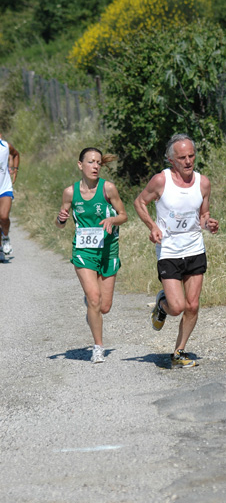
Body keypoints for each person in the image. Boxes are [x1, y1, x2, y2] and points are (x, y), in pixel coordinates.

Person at [134, 133, 219, 368]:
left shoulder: (203, 183)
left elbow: (202, 215)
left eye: (191, 155)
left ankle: (179, 352)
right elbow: (139, 202)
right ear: (172, 160)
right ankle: (162, 305)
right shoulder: (161, 181)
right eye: (182, 157)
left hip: (194, 248)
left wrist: (208, 224)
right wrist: (152, 226)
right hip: (169, 251)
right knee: (177, 307)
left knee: (192, 305)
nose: (188, 161)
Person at [56, 147, 128, 363]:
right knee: (95, 299)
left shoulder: (108, 189)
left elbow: (124, 215)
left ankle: (91, 305)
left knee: (104, 307)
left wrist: (111, 220)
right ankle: (98, 347)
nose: (95, 166)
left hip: (108, 249)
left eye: (98, 162)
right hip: (83, 250)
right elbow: (60, 222)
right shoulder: (70, 192)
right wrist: (60, 218)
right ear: (80, 165)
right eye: (90, 162)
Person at [0, 133, 20, 262]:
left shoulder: (5, 146)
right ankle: (0, 249)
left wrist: (15, 169)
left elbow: (16, 154)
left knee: (4, 217)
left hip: (4, 187)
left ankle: (5, 237)